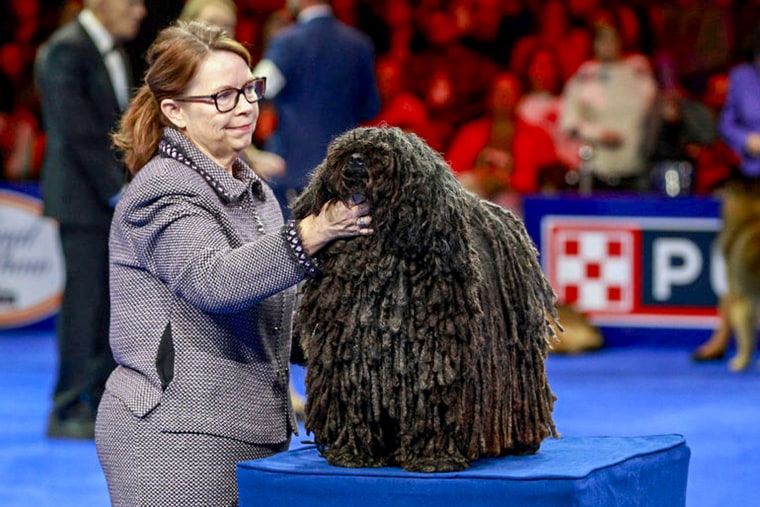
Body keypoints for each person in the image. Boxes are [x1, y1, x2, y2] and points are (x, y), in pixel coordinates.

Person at [94, 21, 372, 506]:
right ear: (174, 111)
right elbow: (214, 281)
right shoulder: (161, 190)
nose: (245, 106)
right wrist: (313, 231)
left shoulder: (253, 190)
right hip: (173, 438)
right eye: (223, 96)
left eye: (249, 89)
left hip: (249, 429)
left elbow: (274, 305)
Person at [35, 0, 146, 439]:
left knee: (106, 304)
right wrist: (118, 191)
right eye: (132, 2)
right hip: (83, 203)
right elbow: (75, 131)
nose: (139, 12)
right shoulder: (66, 49)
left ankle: (100, 398)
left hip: (106, 199)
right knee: (84, 303)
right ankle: (65, 407)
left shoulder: (113, 51)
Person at [253, 0, 380, 216]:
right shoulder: (360, 45)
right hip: (344, 176)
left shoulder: (288, 42)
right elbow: (370, 108)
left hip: (290, 173)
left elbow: (255, 92)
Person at [692, 25, 760, 361]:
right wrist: (746, 140)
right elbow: (727, 123)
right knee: (732, 262)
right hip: (746, 181)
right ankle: (723, 336)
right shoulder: (741, 76)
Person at [179, 0, 287, 184]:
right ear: (188, 24)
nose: (219, 32)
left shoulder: (234, 71)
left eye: (227, 25)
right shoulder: (175, 73)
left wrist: (252, 158)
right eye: (210, 22)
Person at [559, 19, 657, 192]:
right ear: (593, 43)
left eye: (612, 38)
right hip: (596, 173)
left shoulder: (638, 71)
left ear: (621, 40)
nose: (607, 45)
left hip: (636, 171)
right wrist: (599, 134)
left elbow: (655, 115)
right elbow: (567, 122)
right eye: (601, 39)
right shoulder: (585, 75)